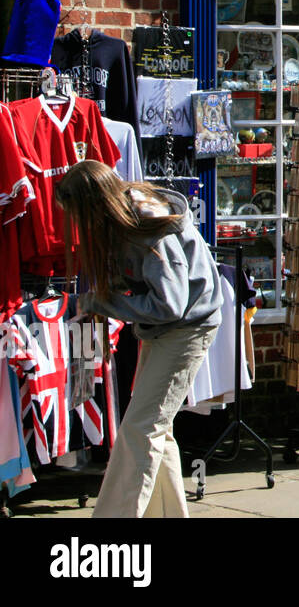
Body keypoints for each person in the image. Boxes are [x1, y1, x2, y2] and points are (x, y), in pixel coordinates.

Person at [55, 159, 222, 518]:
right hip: (173, 328)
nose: (75, 226)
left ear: (91, 205)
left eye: (75, 216)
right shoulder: (129, 217)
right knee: (155, 428)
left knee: (140, 428)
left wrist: (105, 301)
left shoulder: (145, 226)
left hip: (186, 328)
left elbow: (170, 304)